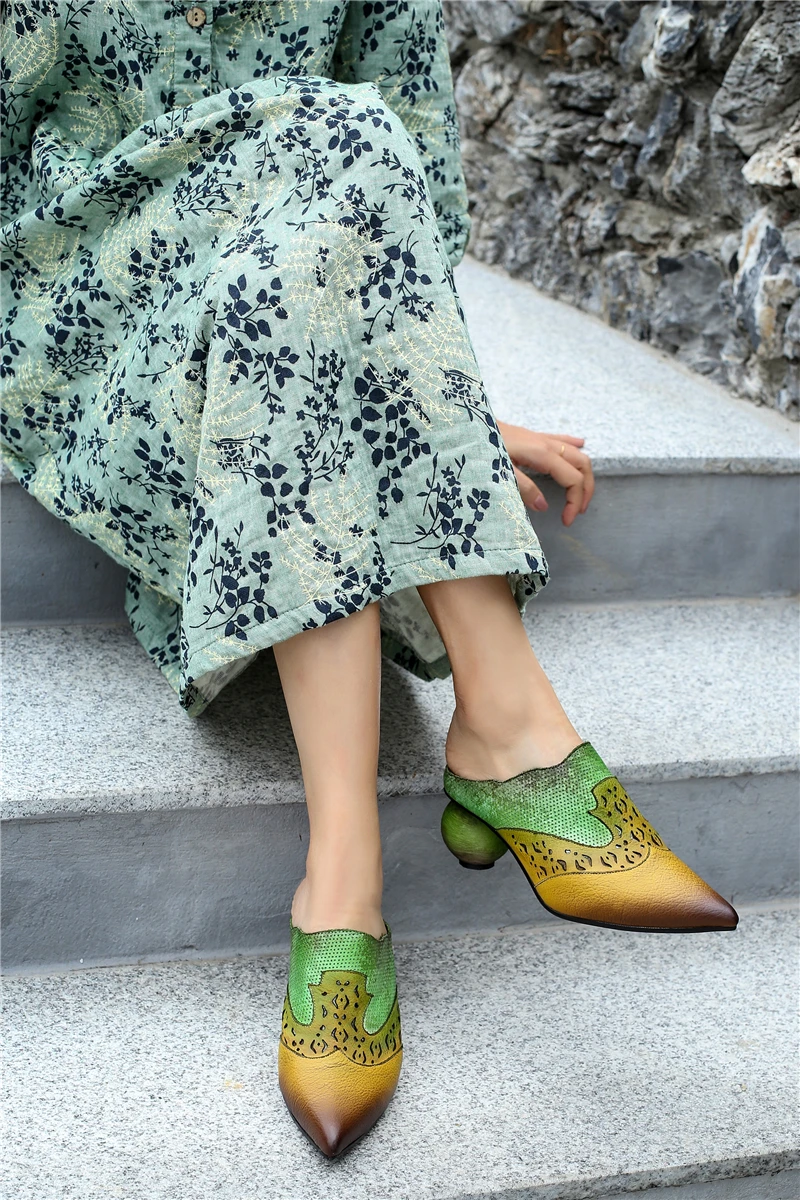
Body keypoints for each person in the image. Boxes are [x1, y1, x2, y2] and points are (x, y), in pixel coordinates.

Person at [1, 0, 738, 1159]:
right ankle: (502, 733)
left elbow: (409, 185)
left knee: (336, 167)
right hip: (88, 309)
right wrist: (447, 432)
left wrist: (442, 402)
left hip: (280, 285)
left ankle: (341, 888)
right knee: (333, 131)